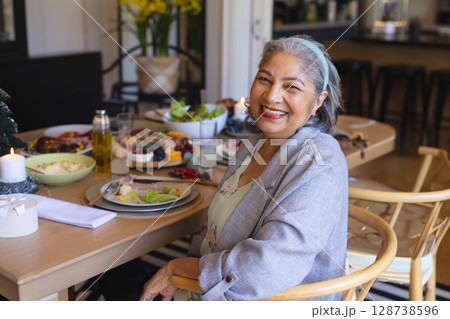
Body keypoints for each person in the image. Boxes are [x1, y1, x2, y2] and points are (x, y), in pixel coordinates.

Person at [139, 34, 348, 301]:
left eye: (292, 87)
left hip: (262, 303)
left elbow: (265, 267)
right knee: (119, 275)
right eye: (264, 79)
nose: (272, 95)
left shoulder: (321, 159)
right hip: (211, 292)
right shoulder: (254, 145)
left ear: (318, 101)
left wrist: (177, 269)